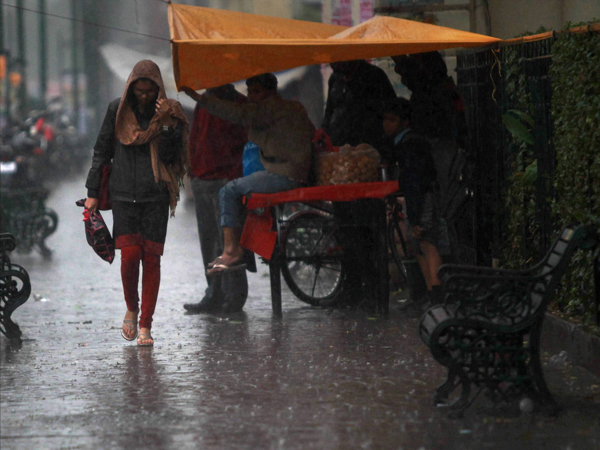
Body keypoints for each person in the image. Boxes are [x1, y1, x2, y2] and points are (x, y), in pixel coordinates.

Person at [84, 60, 189, 346]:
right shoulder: (116, 110)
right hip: (123, 194)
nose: (144, 96)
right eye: (139, 91)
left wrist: (166, 125)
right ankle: (132, 307)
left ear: (158, 89)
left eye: (149, 91)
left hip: (155, 195)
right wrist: (93, 191)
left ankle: (146, 325)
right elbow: (101, 150)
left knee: (151, 259)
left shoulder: (169, 113)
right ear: (131, 88)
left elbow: (171, 157)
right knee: (129, 256)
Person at [182, 73, 315, 275]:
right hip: (295, 171)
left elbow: (236, 113)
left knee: (228, 191)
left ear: (270, 91)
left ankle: (232, 251)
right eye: (250, 91)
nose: (251, 96)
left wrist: (201, 99)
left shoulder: (266, 110)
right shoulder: (293, 107)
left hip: (283, 174)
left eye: (256, 92)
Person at [320, 60, 396, 309]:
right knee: (345, 226)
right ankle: (351, 286)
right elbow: (329, 113)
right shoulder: (335, 80)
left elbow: (386, 115)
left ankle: (373, 287)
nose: (332, 65)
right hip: (342, 164)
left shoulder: (374, 77)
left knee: (367, 226)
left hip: (365, 163)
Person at [182, 84, 250, 314]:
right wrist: (193, 173)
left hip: (225, 181)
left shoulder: (238, 104)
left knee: (228, 243)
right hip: (203, 179)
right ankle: (214, 293)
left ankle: (233, 295)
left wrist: (232, 176)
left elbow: (244, 143)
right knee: (209, 241)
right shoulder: (204, 103)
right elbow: (194, 138)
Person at [382, 97, 447, 308]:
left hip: (422, 197)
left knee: (426, 242)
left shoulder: (410, 145)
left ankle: (437, 295)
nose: (386, 124)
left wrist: (416, 216)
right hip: (418, 197)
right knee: (418, 246)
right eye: (385, 119)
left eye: (392, 120)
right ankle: (431, 294)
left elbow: (416, 182)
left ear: (405, 122)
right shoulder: (404, 143)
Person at [322, 59, 396, 147]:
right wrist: (324, 132)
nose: (332, 65)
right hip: (338, 143)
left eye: (336, 61)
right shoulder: (335, 78)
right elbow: (329, 110)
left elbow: (391, 110)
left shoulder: (374, 75)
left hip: (367, 144)